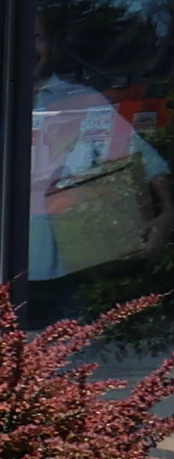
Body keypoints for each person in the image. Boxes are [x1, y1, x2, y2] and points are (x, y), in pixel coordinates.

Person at [27, 35, 174, 325]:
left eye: (37, 38)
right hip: (4, 262)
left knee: (71, 347)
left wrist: (168, 212)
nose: (28, 47)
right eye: (22, 37)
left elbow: (139, 154)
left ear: (53, 45)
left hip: (73, 262)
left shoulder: (83, 100)